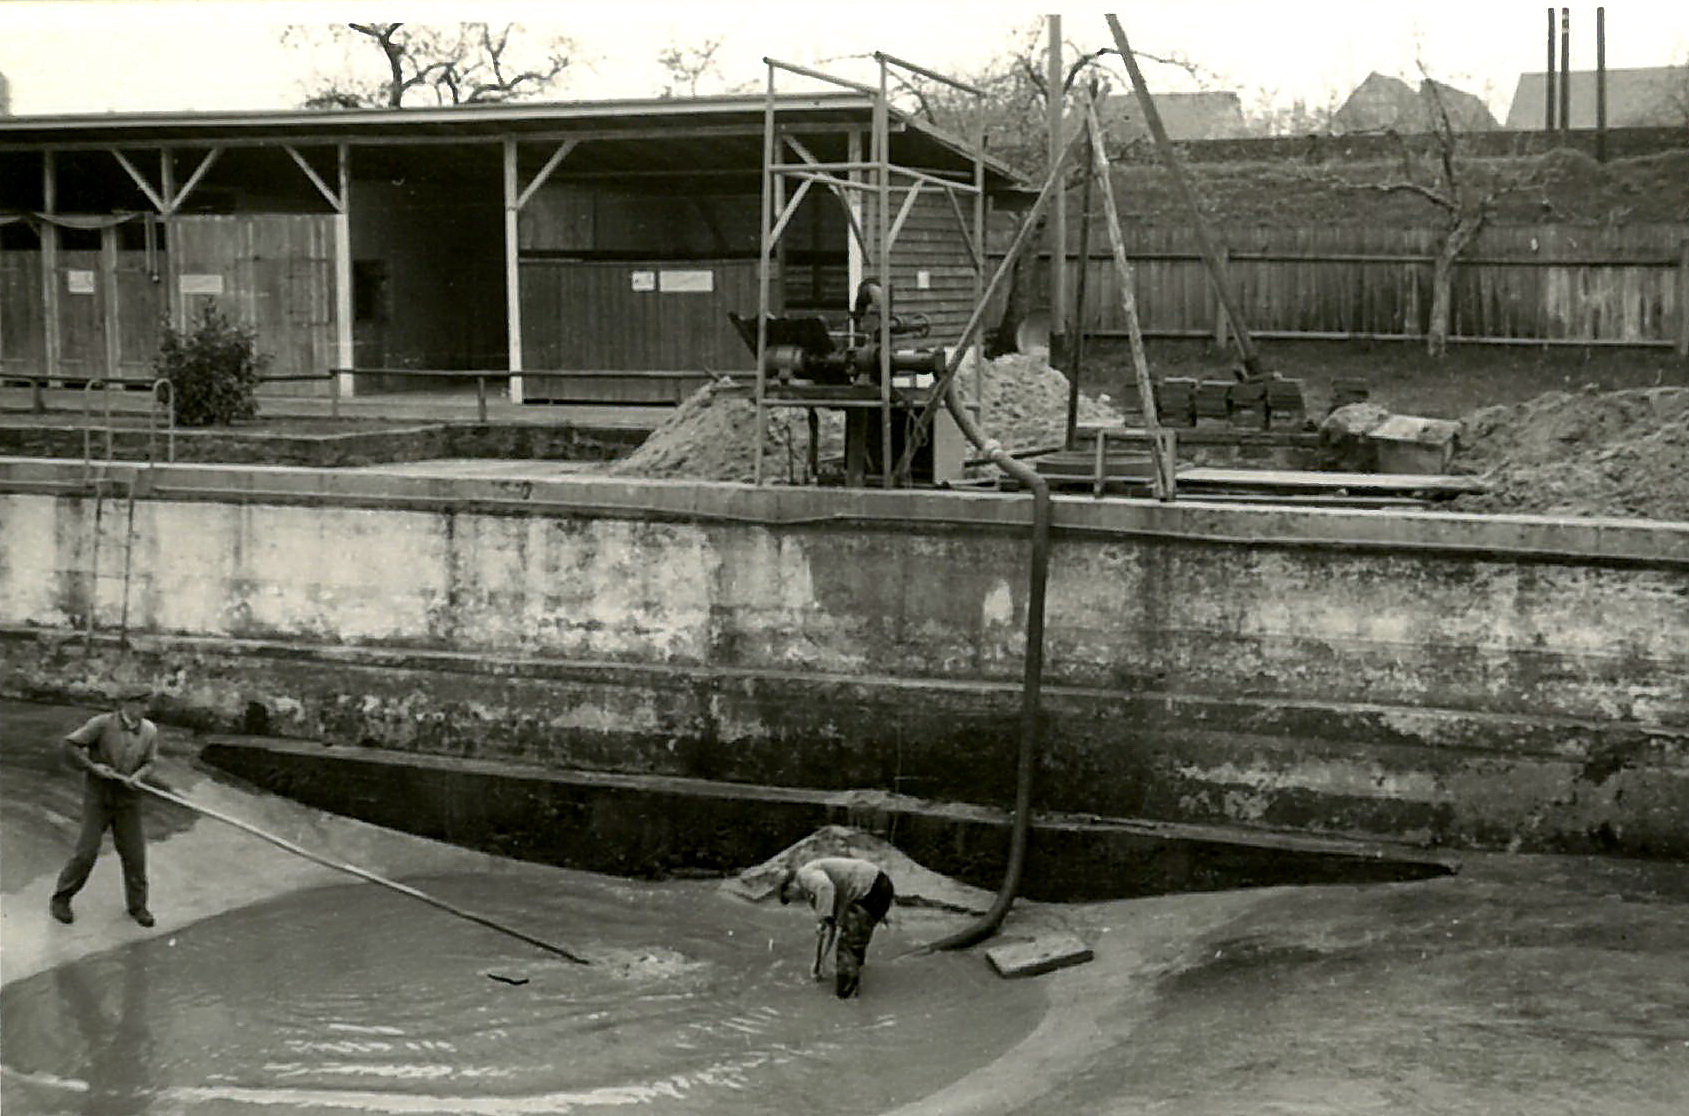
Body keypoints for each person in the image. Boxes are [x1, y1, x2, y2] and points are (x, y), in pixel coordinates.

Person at [50, 685, 160, 928]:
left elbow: (151, 762)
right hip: (98, 798)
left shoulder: (150, 731)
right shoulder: (101, 724)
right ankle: (61, 899)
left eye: (146, 703)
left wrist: (139, 776)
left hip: (128, 801)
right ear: (127, 703)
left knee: (135, 857)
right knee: (86, 853)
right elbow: (69, 745)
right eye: (141, 703)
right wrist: (93, 768)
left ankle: (138, 906)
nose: (145, 708)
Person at [779, 856, 895, 998]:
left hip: (870, 888)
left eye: (789, 897)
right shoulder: (812, 889)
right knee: (855, 938)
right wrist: (819, 962)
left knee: (848, 945)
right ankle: (856, 975)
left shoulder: (805, 875)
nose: (793, 900)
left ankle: (846, 997)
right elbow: (830, 929)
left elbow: (825, 886)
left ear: (791, 885)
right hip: (877, 887)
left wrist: (822, 919)